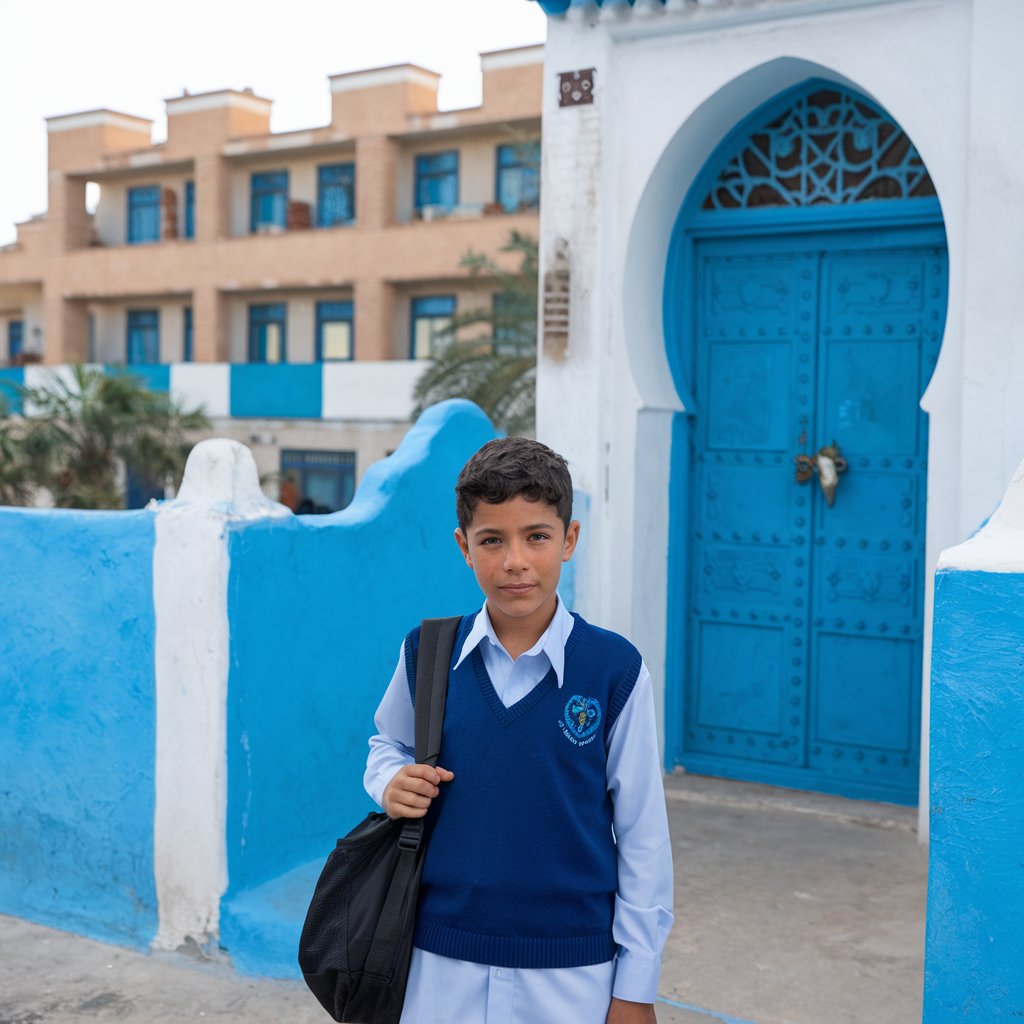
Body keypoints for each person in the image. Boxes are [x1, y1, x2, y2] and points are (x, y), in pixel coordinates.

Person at [365, 437, 674, 1024]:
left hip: (572, 968)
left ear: (569, 540)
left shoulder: (615, 669)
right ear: (464, 547)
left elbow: (643, 834)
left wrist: (636, 985)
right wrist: (389, 782)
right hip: (437, 957)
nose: (515, 561)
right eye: (492, 540)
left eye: (536, 536)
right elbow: (388, 745)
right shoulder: (427, 653)